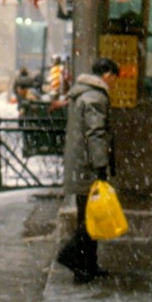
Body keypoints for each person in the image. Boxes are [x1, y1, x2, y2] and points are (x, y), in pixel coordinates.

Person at [56, 57, 120, 284]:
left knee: (89, 215)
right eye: (114, 78)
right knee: (90, 218)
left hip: (79, 164)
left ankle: (88, 265)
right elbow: (95, 134)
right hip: (88, 166)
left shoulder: (81, 93)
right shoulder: (95, 97)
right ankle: (71, 257)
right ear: (107, 75)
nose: (113, 84)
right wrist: (101, 165)